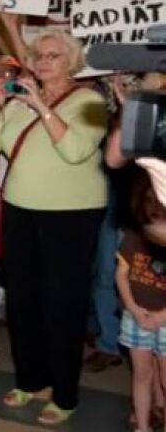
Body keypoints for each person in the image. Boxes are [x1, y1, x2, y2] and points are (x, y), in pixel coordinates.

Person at [0, 30, 108, 425]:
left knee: (63, 306)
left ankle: (64, 394)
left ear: (71, 61)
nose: (45, 61)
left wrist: (41, 106)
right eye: (39, 55)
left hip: (71, 218)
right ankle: (31, 380)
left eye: (54, 55)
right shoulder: (16, 101)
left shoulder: (90, 101)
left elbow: (74, 150)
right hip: (20, 213)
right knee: (22, 303)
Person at [117, 172, 166, 432]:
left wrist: (161, 317)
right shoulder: (134, 237)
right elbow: (121, 274)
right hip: (136, 315)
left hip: (164, 319)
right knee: (142, 373)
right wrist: (133, 308)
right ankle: (143, 426)